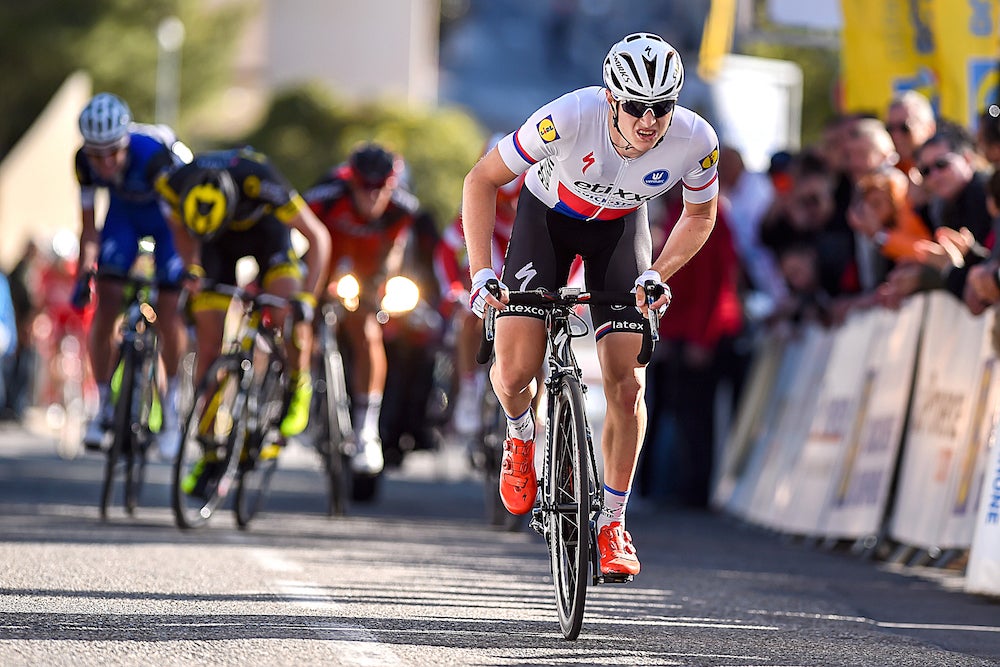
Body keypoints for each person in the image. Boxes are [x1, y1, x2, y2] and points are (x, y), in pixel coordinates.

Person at [462, 32, 719, 577]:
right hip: (546, 222)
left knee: (627, 385)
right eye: (636, 107)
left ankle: (613, 523)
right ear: (610, 99)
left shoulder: (696, 139)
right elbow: (481, 179)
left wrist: (657, 273)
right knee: (515, 369)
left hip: (621, 233)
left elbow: (699, 215)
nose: (649, 121)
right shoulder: (570, 116)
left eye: (661, 108)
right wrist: (482, 272)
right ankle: (520, 436)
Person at [156, 147, 331, 470]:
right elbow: (179, 227)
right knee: (209, 347)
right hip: (215, 244)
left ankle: (298, 384)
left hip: (268, 237)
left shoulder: (261, 180)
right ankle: (209, 448)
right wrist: (191, 266)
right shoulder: (178, 182)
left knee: (288, 314)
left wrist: (307, 299)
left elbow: (319, 237)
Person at [72, 92, 191, 457]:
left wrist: (189, 270)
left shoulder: (153, 157)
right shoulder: (83, 162)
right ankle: (103, 405)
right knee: (106, 302)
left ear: (125, 142)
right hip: (123, 218)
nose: (105, 162)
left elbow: (181, 225)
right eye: (97, 155)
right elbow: (89, 229)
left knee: (168, 312)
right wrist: (83, 274)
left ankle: (171, 410)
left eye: (113, 152)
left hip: (168, 224)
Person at [303, 143, 419, 475]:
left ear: (392, 185)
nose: (372, 196)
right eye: (364, 187)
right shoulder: (324, 198)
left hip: (365, 274)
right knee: (301, 326)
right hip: (322, 265)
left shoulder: (402, 210)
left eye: (380, 188)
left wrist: (377, 291)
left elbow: (393, 255)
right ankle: (299, 398)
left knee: (368, 332)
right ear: (351, 182)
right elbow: (303, 240)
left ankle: (367, 429)